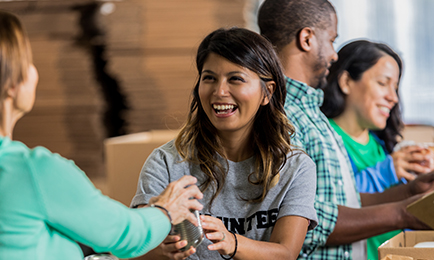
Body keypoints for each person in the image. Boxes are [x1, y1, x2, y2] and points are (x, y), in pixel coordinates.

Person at [0, 10, 203, 260]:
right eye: (29, 62)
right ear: (11, 82)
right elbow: (125, 235)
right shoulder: (31, 171)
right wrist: (166, 210)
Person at [258, 1, 434, 259]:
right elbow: (301, 222)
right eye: (331, 40)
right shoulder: (282, 116)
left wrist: (410, 192)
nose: (334, 54)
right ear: (307, 39)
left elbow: (341, 203)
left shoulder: (310, 114)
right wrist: (400, 213)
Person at [131, 27, 318, 260]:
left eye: (236, 79)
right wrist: (161, 250)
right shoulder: (167, 163)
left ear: (267, 93)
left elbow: (286, 253)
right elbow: (136, 247)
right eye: (209, 78)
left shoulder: (295, 167)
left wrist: (232, 241)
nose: (219, 92)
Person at [320, 39, 434, 260]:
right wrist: (386, 171)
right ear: (346, 81)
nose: (393, 97)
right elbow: (331, 207)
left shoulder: (380, 146)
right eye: (383, 83)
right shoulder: (325, 139)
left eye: (396, 87)